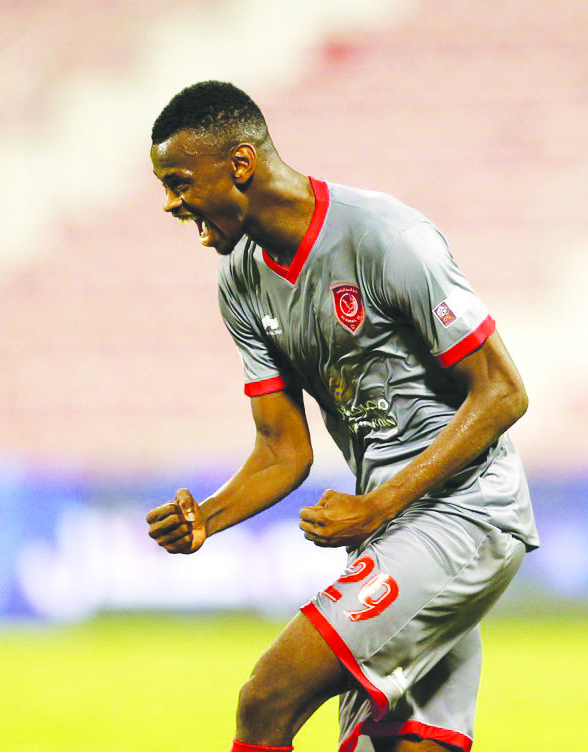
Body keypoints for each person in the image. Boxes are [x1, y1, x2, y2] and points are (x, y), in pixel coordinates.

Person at [145, 81, 539, 752]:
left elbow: (504, 392)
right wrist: (204, 518)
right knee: (399, 746)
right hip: (391, 532)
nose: (172, 202)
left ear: (240, 163)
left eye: (181, 181)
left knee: (266, 699)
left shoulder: (387, 237)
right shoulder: (241, 280)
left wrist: (380, 503)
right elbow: (283, 451)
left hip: (465, 516)